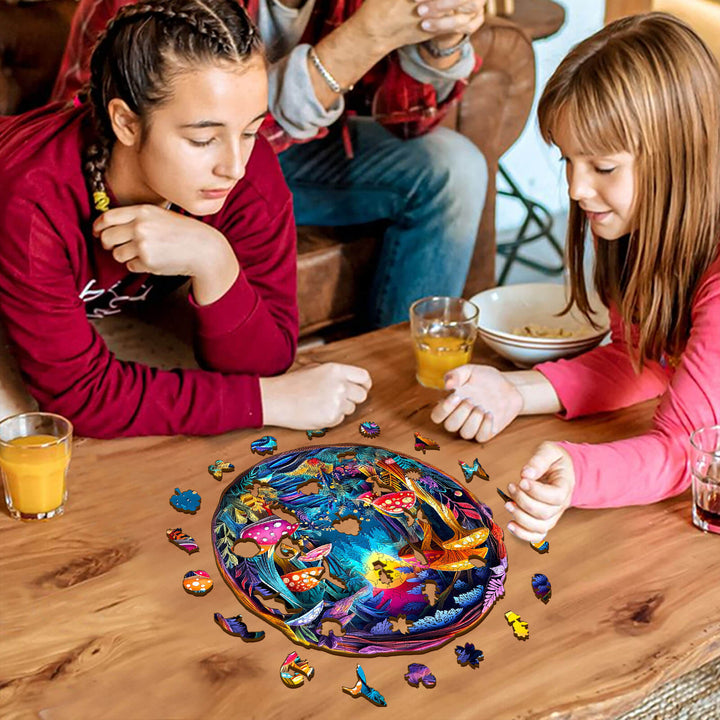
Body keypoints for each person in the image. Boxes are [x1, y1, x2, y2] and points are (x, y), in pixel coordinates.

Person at [0, 0, 371, 438]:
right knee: (23, 434)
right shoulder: (33, 199)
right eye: (203, 139)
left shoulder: (247, 170)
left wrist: (214, 260)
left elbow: (268, 358)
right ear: (126, 123)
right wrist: (271, 400)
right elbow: (82, 398)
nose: (234, 165)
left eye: (250, 131)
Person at [431, 12, 720, 542]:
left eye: (603, 167)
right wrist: (515, 391)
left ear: (682, 158)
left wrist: (579, 472)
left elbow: (689, 448)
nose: (574, 189)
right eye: (568, 160)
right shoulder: (642, 231)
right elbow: (643, 358)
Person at [51, 0, 489, 328]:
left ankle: (402, 372)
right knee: (226, 149)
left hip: (288, 148)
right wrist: (362, 39)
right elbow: (106, 135)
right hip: (152, 164)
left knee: (454, 167)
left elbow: (411, 124)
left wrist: (440, 41)